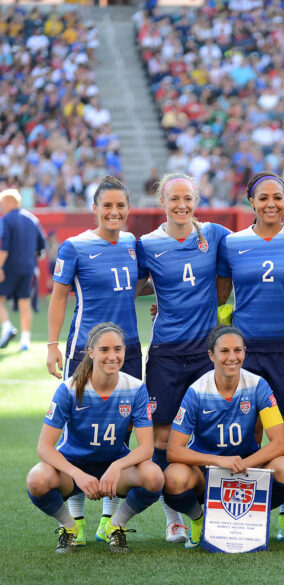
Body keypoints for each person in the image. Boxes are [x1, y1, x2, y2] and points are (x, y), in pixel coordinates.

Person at [45, 176, 156, 543]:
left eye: (120, 206)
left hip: (129, 345)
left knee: (121, 425)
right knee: (80, 426)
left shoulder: (131, 244)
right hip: (86, 348)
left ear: (128, 209)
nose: (113, 212)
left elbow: (137, 283)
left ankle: (109, 519)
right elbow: (59, 297)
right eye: (106, 206)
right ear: (94, 208)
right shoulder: (74, 247)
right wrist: (51, 344)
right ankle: (74, 518)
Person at [217, 171, 284, 541]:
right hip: (246, 351)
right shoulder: (232, 243)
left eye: (278, 198)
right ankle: (250, 513)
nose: (271, 204)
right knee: (251, 431)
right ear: (251, 203)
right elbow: (219, 298)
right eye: (263, 198)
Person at [136, 172, 232, 540]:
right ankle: (174, 517)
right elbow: (137, 283)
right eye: (174, 199)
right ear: (162, 203)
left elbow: (237, 264)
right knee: (162, 438)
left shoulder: (216, 235)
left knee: (205, 435)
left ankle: (215, 510)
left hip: (206, 353)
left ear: (197, 200)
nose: (182, 205)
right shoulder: (147, 244)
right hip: (166, 353)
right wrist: (158, 297)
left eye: (188, 198)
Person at [26, 322, 163, 553]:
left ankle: (115, 526)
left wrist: (117, 466)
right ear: (91, 352)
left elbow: (146, 448)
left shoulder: (136, 388)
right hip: (72, 470)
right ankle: (69, 527)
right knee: (36, 480)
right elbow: (44, 448)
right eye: (105, 350)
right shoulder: (69, 389)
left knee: (154, 476)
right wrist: (77, 474)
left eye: (118, 349)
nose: (113, 356)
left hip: (113, 470)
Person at [162, 325, 284, 548]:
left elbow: (280, 443)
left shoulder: (258, 385)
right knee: (173, 478)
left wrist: (242, 464)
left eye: (238, 350)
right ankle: (199, 520)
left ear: (245, 352)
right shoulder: (197, 391)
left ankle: (249, 520)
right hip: (207, 471)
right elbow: (174, 450)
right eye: (224, 351)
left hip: (248, 468)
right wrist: (219, 461)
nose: (232, 357)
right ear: (211, 355)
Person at [0, 188, 45, 351]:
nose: (1, 206)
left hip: (10, 267)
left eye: (2, 203)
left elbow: (4, 247)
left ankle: (7, 327)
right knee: (24, 302)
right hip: (28, 268)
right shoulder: (33, 219)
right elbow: (41, 248)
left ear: (10, 202)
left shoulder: (6, 220)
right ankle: (25, 340)